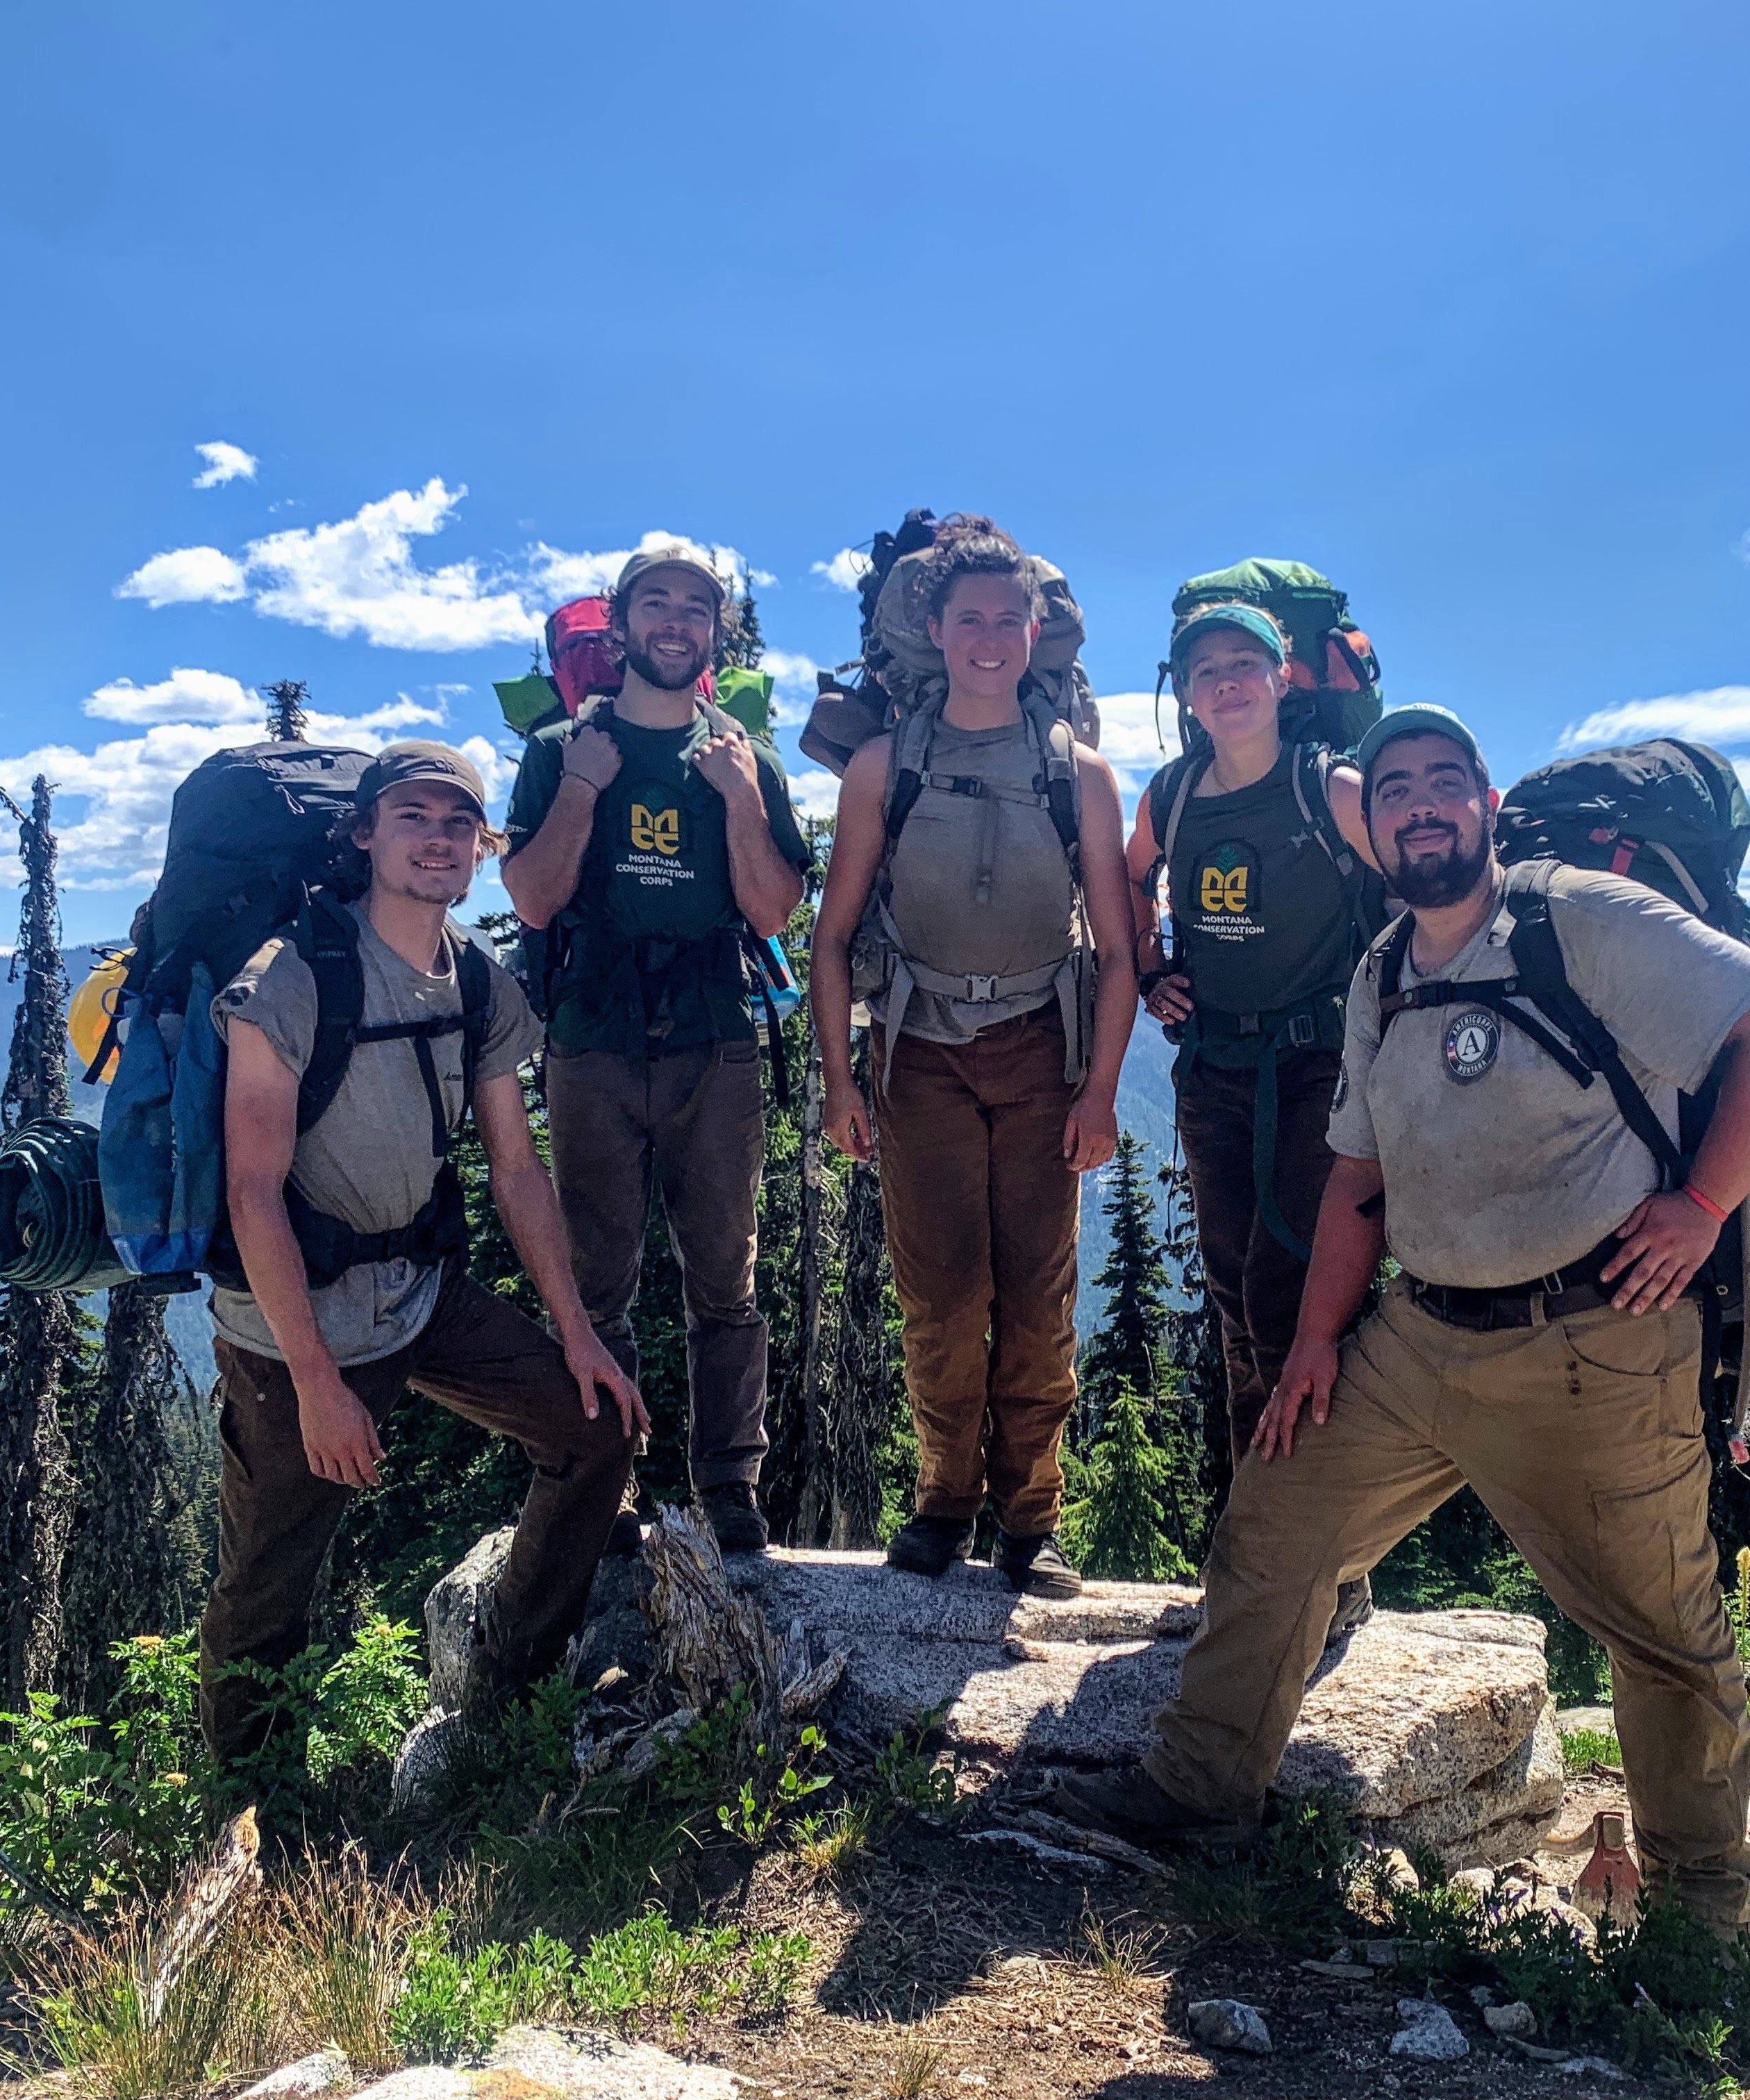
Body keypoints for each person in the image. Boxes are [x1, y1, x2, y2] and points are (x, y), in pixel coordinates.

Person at [1058, 705, 1750, 1936]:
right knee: (1276, 1526)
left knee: (1664, 1636)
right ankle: (1199, 1795)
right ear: (1379, 824)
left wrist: (1698, 1205)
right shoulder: (1384, 971)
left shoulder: (1580, 916)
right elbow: (1356, 1181)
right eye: (1400, 785)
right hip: (1422, 1336)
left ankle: (1700, 1923)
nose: (1420, 803)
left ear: (1481, 803)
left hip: (1595, 1340)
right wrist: (1316, 1342)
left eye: (1443, 781)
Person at [200, 742, 643, 1764]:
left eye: (458, 825)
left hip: (419, 1293)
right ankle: (254, 1806)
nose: (437, 840)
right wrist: (316, 1383)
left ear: (484, 847)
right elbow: (251, 1190)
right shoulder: (291, 978)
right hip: (291, 1324)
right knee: (268, 1584)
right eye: (413, 818)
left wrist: (577, 1336)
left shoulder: (477, 986)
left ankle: (511, 1700)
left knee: (594, 1430)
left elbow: (517, 1171)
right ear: (364, 835)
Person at [808, 517, 1140, 1598]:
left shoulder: (1080, 774)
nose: (990, 639)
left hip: (1043, 1052)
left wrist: (1099, 1091)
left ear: (1033, 629)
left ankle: (1029, 1522)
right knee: (942, 1298)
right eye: (970, 621)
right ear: (937, 632)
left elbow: (1121, 951)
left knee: (1038, 1302)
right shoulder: (882, 766)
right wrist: (840, 1081)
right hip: (920, 1056)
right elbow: (830, 934)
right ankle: (944, 1502)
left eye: (1008, 620)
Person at [501, 542, 810, 1556]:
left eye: (695, 608)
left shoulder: (741, 756)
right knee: (599, 1281)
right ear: (623, 626)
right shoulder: (560, 752)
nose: (676, 622)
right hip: (592, 1038)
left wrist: (740, 800)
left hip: (712, 1039)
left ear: (712, 633)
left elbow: (771, 906)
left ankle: (730, 1487)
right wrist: (585, 790)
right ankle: (607, 1487)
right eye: (656, 604)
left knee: (726, 1278)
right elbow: (536, 898)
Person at [1124, 600, 1383, 1635]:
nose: (1226, 681)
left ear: (1282, 676)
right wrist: (1149, 966)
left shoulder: (1329, 787)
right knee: (1236, 1307)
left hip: (1321, 1072)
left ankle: (1322, 1565)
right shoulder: (1177, 793)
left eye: (1245, 663)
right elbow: (1127, 875)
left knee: (1298, 1306)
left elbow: (1419, 887)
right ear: (1184, 693)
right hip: (1218, 1068)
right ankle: (1267, 1548)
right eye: (1205, 669)